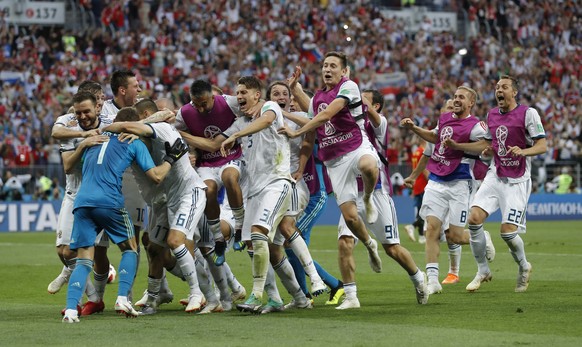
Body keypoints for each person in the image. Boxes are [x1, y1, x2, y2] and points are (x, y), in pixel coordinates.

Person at [62, 95, 189, 323]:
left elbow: (69, 167)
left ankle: (71, 309)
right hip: (109, 201)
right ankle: (123, 298)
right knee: (130, 248)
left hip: (82, 203)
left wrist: (81, 146)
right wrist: (171, 158)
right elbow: (156, 176)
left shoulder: (95, 138)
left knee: (83, 259)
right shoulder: (134, 142)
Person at [279, 52, 383, 276]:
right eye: (325, 65)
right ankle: (369, 244)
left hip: (356, 146)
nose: (327, 69)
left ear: (344, 71)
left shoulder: (349, 87)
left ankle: (368, 197)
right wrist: (295, 88)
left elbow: (324, 116)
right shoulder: (317, 97)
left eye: (333, 66)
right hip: (335, 161)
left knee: (368, 166)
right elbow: (312, 116)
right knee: (351, 217)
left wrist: (294, 131)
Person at [444, 75, 547, 293]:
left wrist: (524, 151)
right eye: (497, 87)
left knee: (507, 233)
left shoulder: (528, 113)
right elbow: (492, 144)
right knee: (473, 219)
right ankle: (483, 270)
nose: (499, 90)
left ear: (514, 92)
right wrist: (488, 150)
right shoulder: (492, 115)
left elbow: (542, 145)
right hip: (495, 174)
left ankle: (523, 266)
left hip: (517, 179)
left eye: (504, 87)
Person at [103, 102, 209, 313]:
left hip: (186, 193)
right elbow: (109, 129)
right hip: (163, 199)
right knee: (153, 246)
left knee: (181, 243)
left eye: (125, 128)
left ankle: (200, 291)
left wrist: (169, 158)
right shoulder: (134, 141)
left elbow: (166, 115)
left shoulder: (156, 131)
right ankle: (155, 296)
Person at [329, 88, 428, 309]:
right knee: (344, 244)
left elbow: (372, 116)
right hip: (352, 196)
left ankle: (418, 278)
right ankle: (352, 296)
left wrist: (356, 97)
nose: (356, 102)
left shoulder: (378, 124)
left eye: (363, 99)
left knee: (392, 248)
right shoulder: (346, 125)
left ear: (375, 107)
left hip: (377, 195)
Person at [219, 76, 312, 313]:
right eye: (237, 92)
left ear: (256, 95)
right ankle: (289, 298)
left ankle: (258, 294)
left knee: (264, 235)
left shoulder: (270, 108)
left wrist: (235, 137)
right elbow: (216, 143)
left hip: (280, 183)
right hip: (255, 190)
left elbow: (267, 121)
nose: (239, 96)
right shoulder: (241, 122)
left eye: (243, 92)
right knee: (265, 248)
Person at [400, 86, 489, 295]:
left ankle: (483, 240)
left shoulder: (476, 126)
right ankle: (432, 280)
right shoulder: (445, 119)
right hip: (437, 180)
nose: (456, 100)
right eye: (455, 96)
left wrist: (458, 146)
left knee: (455, 237)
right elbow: (434, 139)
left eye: (461, 98)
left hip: (460, 182)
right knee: (431, 229)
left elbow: (486, 145)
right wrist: (414, 128)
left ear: (471, 103)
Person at [174, 80, 247, 265]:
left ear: (213, 97)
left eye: (204, 104)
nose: (199, 109)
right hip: (206, 162)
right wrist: (191, 151)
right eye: (195, 104)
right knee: (208, 190)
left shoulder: (229, 102)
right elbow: (173, 131)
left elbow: (254, 105)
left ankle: (240, 227)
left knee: (230, 178)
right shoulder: (184, 113)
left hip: (231, 156)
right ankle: (218, 238)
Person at [404, 135, 429, 244]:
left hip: (417, 185)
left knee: (421, 210)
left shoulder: (416, 152)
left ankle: (421, 236)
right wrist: (432, 180)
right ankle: (412, 226)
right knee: (425, 211)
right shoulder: (423, 152)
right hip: (423, 185)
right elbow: (424, 170)